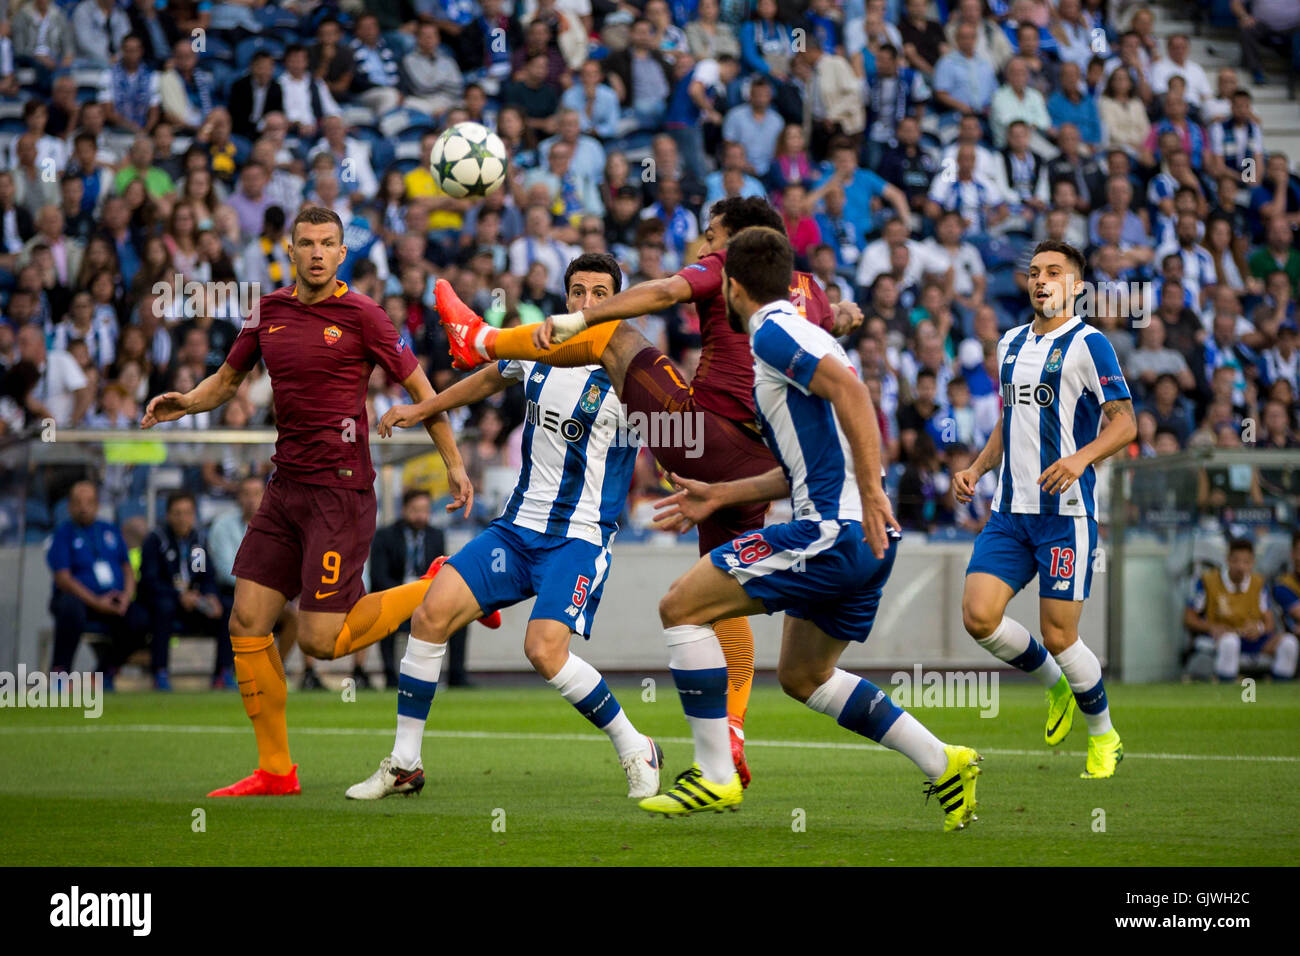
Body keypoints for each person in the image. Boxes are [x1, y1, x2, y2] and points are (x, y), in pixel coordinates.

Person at [435, 197, 848, 789]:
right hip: (760, 466)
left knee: (613, 338)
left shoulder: (725, 267)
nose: (703, 247)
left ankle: (483, 337)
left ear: (740, 242)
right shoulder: (812, 292)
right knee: (718, 594)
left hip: (702, 438)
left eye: (711, 236)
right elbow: (828, 339)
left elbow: (660, 295)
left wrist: (581, 320)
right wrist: (849, 316)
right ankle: (731, 735)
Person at [140, 205, 495, 798]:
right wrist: (186, 402)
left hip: (340, 492)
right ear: (291, 251)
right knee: (248, 622)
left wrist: (454, 464)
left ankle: (439, 584)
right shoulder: (269, 311)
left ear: (340, 253)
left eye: (327, 244)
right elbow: (227, 382)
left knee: (319, 641)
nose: (316, 253)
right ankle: (277, 771)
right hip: (284, 491)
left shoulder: (364, 315)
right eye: (306, 243)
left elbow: (421, 389)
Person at [640, 226, 981, 827]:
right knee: (804, 676)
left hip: (833, 531)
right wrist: (721, 492)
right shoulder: (803, 334)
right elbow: (806, 464)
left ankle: (717, 775)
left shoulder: (771, 332)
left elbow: (854, 392)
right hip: (863, 540)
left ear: (731, 287)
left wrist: (873, 492)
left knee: (680, 607)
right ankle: (944, 761)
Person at [348, 254, 662, 801]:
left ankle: (636, 746)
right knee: (430, 616)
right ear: (565, 299)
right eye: (578, 291)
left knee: (543, 651)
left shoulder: (627, 372)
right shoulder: (537, 349)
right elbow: (485, 380)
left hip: (579, 537)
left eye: (600, 293)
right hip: (516, 530)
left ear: (615, 302)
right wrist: (423, 409)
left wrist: (692, 481)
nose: (586, 302)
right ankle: (404, 763)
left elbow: (670, 435)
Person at [954, 240, 1136, 779]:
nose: (1041, 280)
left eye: (1054, 272)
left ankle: (1104, 736)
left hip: (1066, 514)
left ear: (1076, 286)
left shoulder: (1090, 344)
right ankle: (1054, 682)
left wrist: (1080, 459)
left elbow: (1125, 422)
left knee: (1059, 634)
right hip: (1011, 511)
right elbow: (1011, 422)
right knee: (978, 616)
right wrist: (978, 467)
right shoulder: (1009, 342)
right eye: (1034, 272)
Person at [368, 488, 472, 690]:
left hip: (427, 599)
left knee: (461, 617)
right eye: (415, 510)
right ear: (404, 509)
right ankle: (391, 677)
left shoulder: (435, 536)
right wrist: (405, 594)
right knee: (385, 616)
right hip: (396, 599)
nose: (420, 515)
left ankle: (457, 677)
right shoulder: (385, 536)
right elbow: (378, 577)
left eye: (424, 510)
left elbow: (440, 571)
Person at [47, 480, 147, 683]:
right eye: (78, 502)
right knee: (70, 607)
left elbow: (127, 568)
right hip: (79, 600)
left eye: (89, 502)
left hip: (112, 600)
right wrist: (95, 601)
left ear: (97, 504)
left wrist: (126, 597)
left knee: (141, 619)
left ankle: (105, 672)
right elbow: (63, 579)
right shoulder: (62, 534)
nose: (83, 507)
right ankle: (60, 671)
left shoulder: (110, 530)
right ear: (69, 506)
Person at [138, 491, 232, 690]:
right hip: (166, 600)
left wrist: (210, 596)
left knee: (226, 608)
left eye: (187, 513)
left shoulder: (197, 542)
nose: (183, 518)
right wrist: (179, 595)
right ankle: (160, 672)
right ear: (168, 515)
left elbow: (204, 575)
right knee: (163, 608)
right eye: (177, 513)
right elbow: (150, 580)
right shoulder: (156, 540)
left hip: (193, 602)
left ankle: (223, 672)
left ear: (194, 515)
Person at [1186, 538, 1297, 681]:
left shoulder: (1258, 583)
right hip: (1223, 637)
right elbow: (1189, 618)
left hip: (1253, 639)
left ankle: (1280, 690)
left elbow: (1269, 623)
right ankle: (1226, 688)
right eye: (1235, 561)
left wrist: (1259, 628)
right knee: (1230, 642)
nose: (1240, 567)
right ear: (1227, 560)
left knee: (1289, 643)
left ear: (1253, 563)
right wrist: (1211, 627)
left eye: (1246, 562)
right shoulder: (1208, 581)